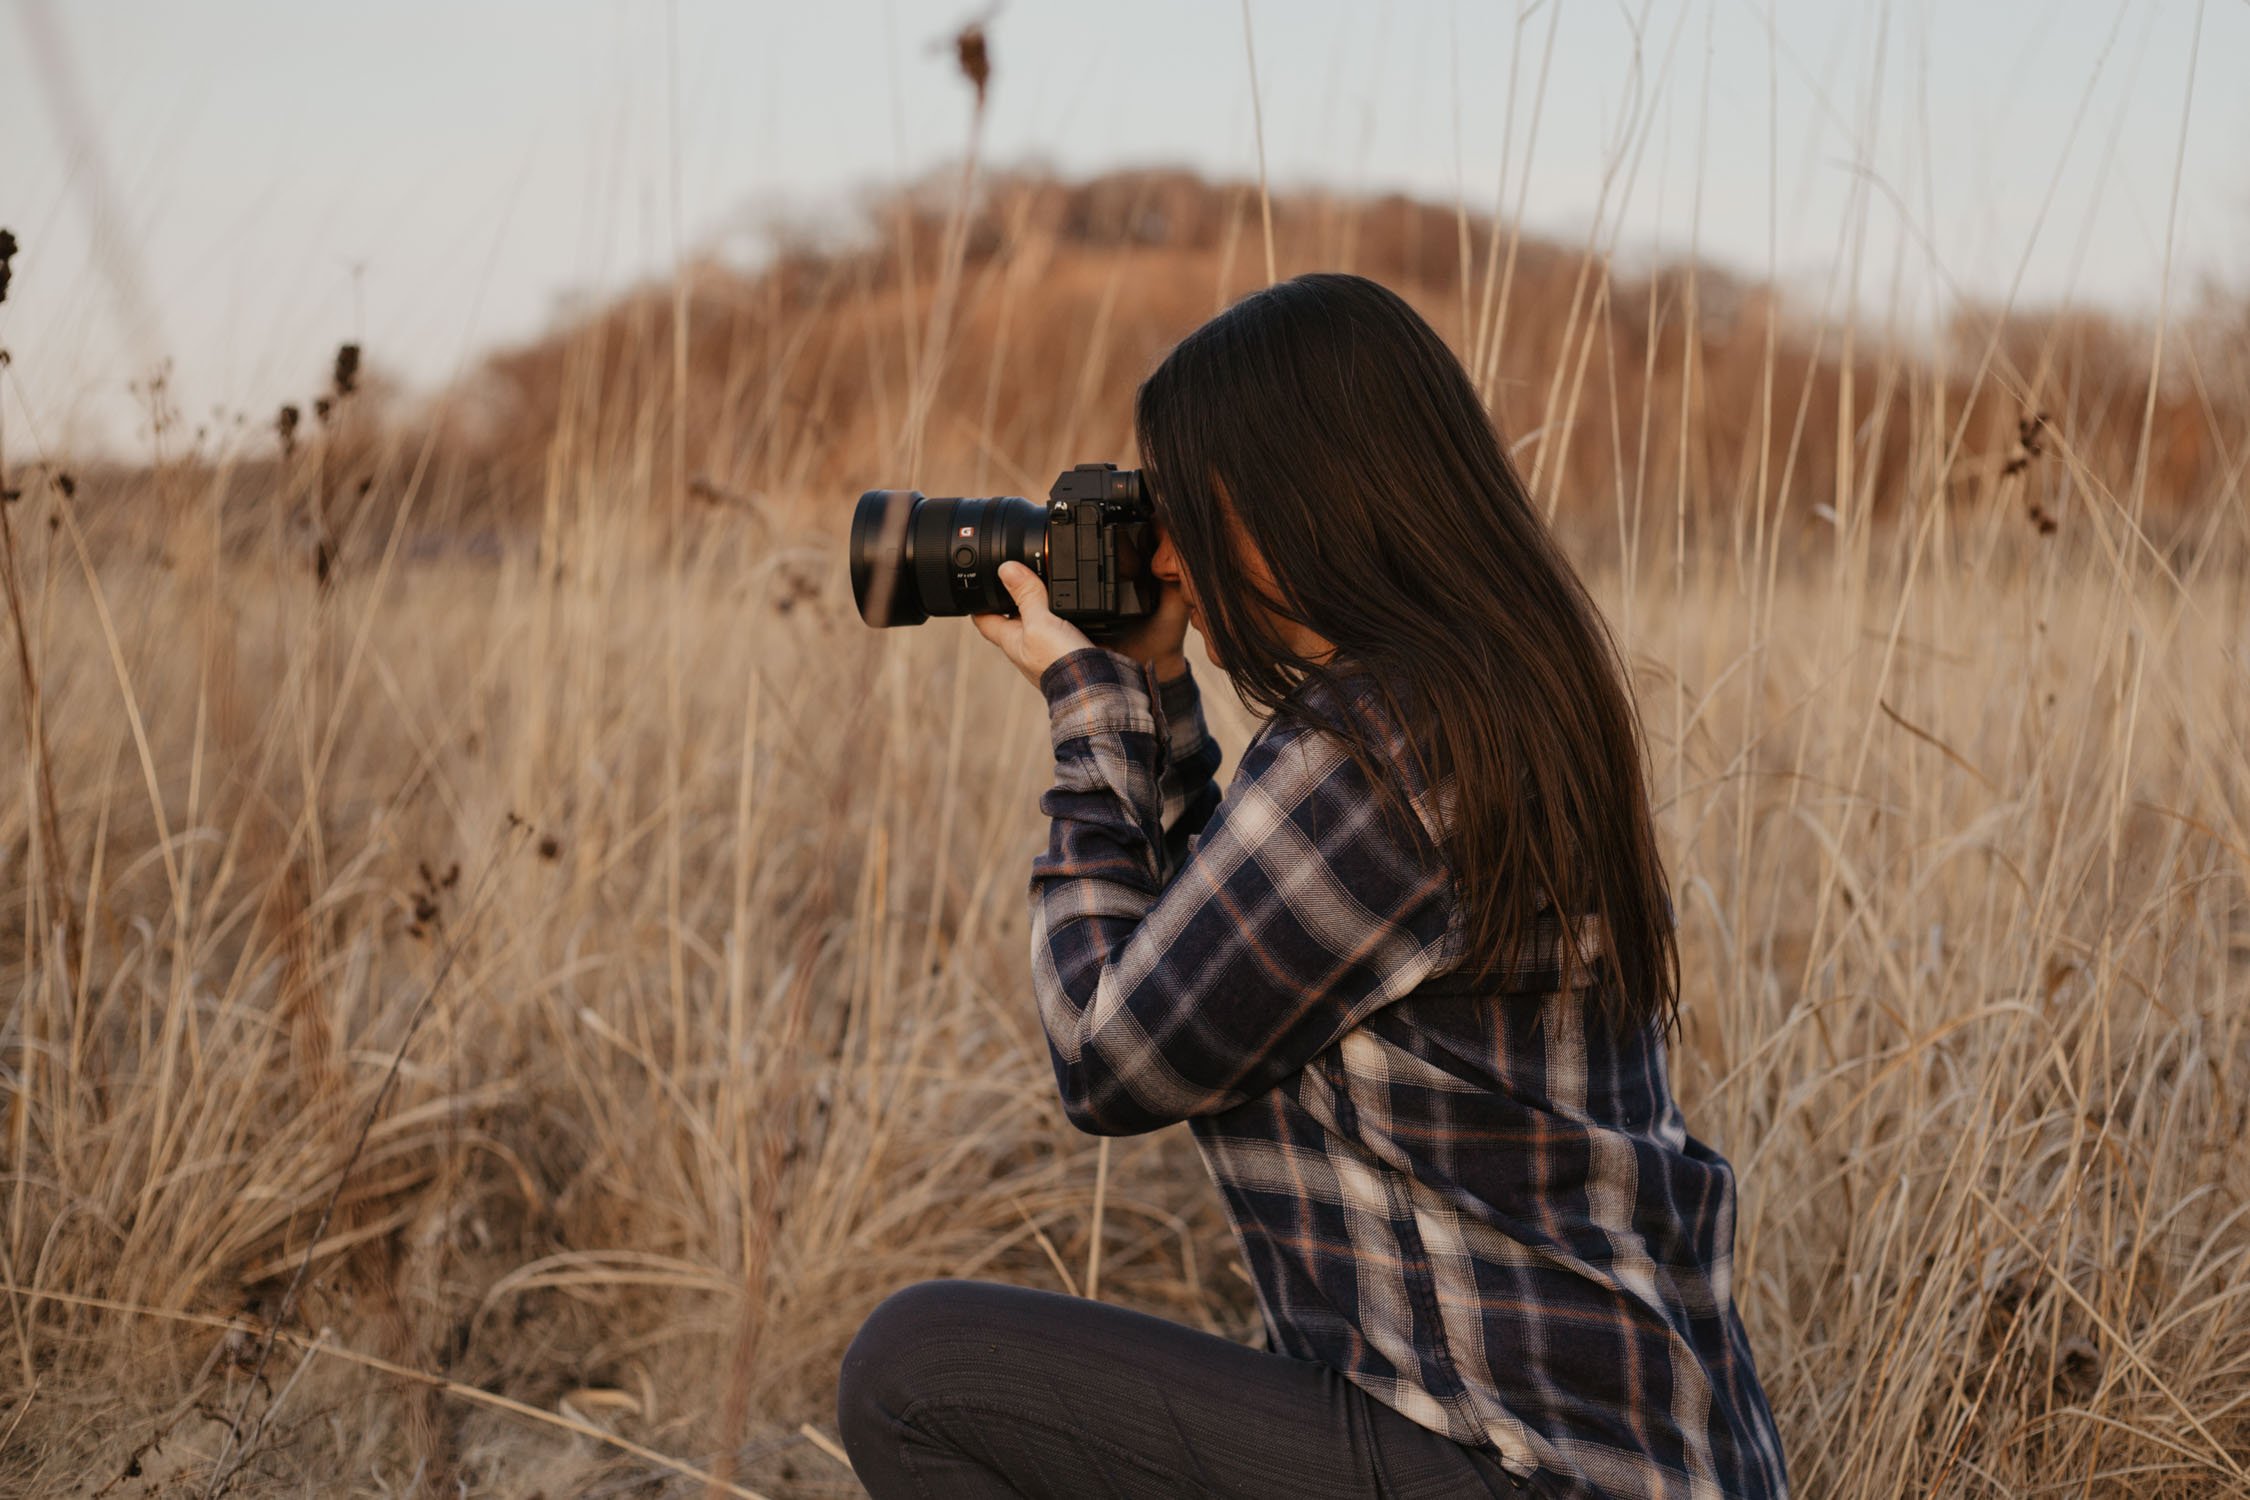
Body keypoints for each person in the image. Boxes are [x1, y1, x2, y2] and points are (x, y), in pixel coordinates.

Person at [836, 272, 1789, 1500]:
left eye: (1185, 509)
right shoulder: (1492, 703)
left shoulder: (1375, 748)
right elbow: (1218, 975)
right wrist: (1160, 706)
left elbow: (1110, 1055)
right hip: (1638, 1463)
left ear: (1302, 499)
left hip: (1513, 1468)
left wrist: (1092, 723)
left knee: (916, 1372)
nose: (1168, 555)